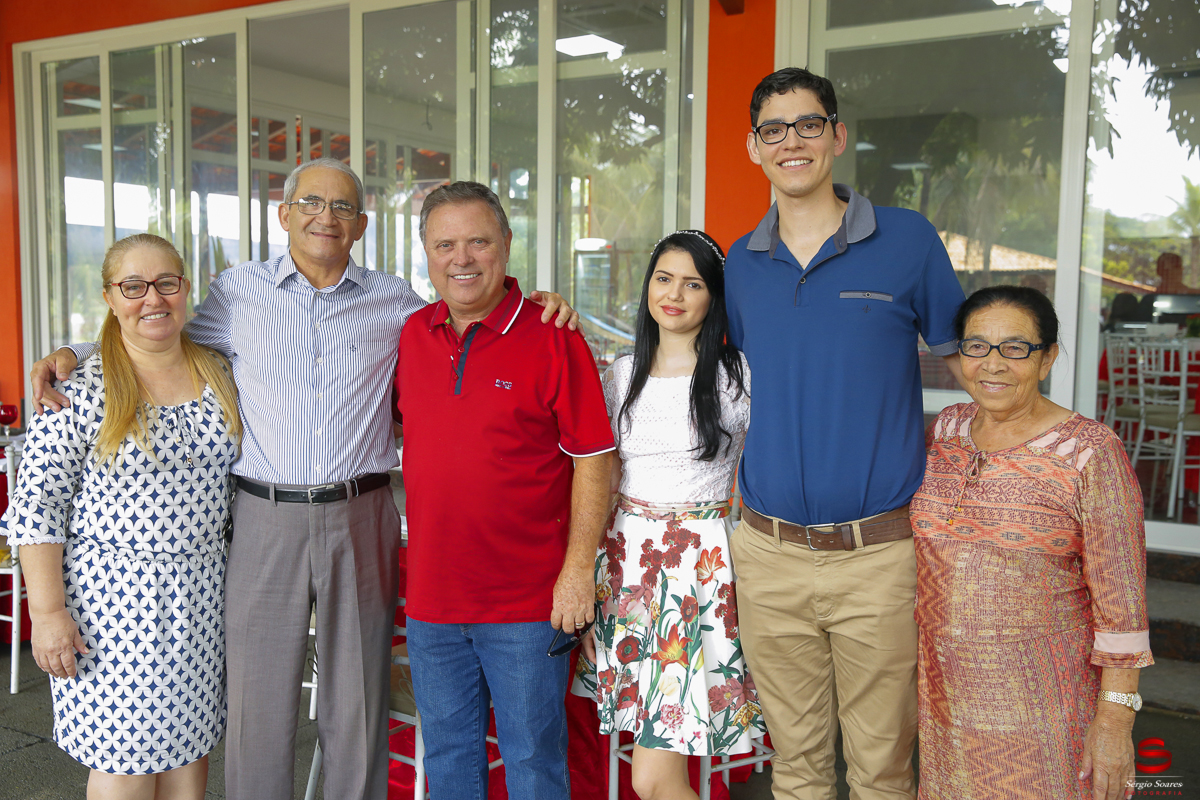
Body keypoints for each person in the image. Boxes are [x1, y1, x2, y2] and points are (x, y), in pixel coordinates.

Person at [28, 159, 577, 800]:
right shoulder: (237, 293)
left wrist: (543, 304)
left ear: (361, 225)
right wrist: (77, 354)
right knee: (258, 702)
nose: (327, 216)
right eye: (312, 202)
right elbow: (159, 333)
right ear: (283, 215)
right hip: (264, 515)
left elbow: (468, 314)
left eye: (343, 207)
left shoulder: (396, 302)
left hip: (361, 510)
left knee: (358, 703)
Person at [723, 67, 966, 799]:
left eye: (808, 125)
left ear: (837, 136)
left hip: (879, 559)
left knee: (883, 768)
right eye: (774, 129)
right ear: (753, 147)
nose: (791, 142)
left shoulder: (907, 239)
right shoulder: (739, 263)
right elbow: (692, 359)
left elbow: (971, 365)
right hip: (769, 555)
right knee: (794, 769)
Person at [393, 181, 613, 799]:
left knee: (534, 763)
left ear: (507, 246)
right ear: (427, 253)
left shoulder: (553, 334)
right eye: (445, 244)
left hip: (527, 602)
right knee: (450, 759)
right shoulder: (411, 336)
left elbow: (594, 460)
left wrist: (577, 573)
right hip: (434, 600)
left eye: (477, 242)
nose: (461, 258)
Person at [1, 234, 240, 799]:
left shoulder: (221, 373)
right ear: (110, 295)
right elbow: (37, 506)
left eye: (167, 282)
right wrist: (48, 611)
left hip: (203, 598)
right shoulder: (77, 390)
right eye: (133, 286)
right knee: (125, 760)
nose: (151, 298)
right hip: (111, 606)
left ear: (186, 290)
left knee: (190, 752)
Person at [911, 285, 1152, 800]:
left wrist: (1115, 717)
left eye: (1015, 348)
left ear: (1047, 359)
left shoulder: (1089, 452)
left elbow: (1123, 604)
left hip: (1045, 708)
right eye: (977, 346)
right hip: (946, 702)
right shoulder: (948, 429)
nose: (992, 364)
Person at [573, 229, 766, 799]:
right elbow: (601, 482)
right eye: (663, 279)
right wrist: (590, 580)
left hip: (698, 572)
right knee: (653, 770)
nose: (674, 294)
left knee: (654, 777)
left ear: (714, 297)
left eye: (693, 283)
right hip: (627, 568)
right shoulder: (618, 375)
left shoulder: (739, 376)